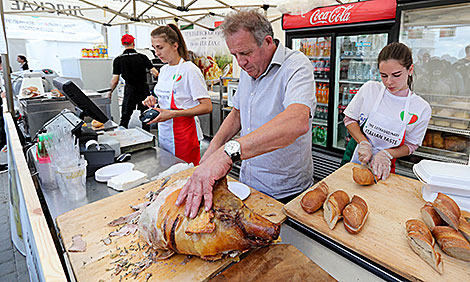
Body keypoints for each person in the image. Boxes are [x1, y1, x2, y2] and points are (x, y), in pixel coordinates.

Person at [175, 10, 316, 218]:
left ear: (268, 41)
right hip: (248, 182)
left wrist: (228, 152)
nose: (240, 62)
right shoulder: (249, 70)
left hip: (286, 189)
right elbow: (237, 113)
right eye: (235, 55)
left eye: (246, 53)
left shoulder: (296, 66)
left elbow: (297, 121)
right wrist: (212, 152)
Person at [342, 42, 431, 180]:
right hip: (354, 159)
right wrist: (363, 143)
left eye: (396, 75)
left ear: (410, 69)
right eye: (383, 75)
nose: (389, 82)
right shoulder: (370, 89)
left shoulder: (421, 108)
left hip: (384, 168)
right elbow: (349, 119)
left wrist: (386, 154)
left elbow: (411, 145)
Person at [142, 24, 212, 165]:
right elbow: (165, 98)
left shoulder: (190, 70)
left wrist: (173, 114)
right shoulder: (164, 70)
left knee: (184, 176)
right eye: (154, 48)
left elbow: (207, 106)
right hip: (165, 133)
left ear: (175, 45)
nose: (156, 52)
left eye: (160, 47)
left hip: (185, 134)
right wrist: (153, 100)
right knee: (169, 171)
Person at [109, 34, 159, 131]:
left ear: (123, 44)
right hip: (143, 89)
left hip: (130, 89)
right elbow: (155, 73)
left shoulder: (118, 59)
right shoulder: (142, 57)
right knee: (146, 115)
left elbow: (114, 80)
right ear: (133, 43)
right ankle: (147, 135)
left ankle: (123, 137)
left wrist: (110, 92)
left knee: (125, 117)